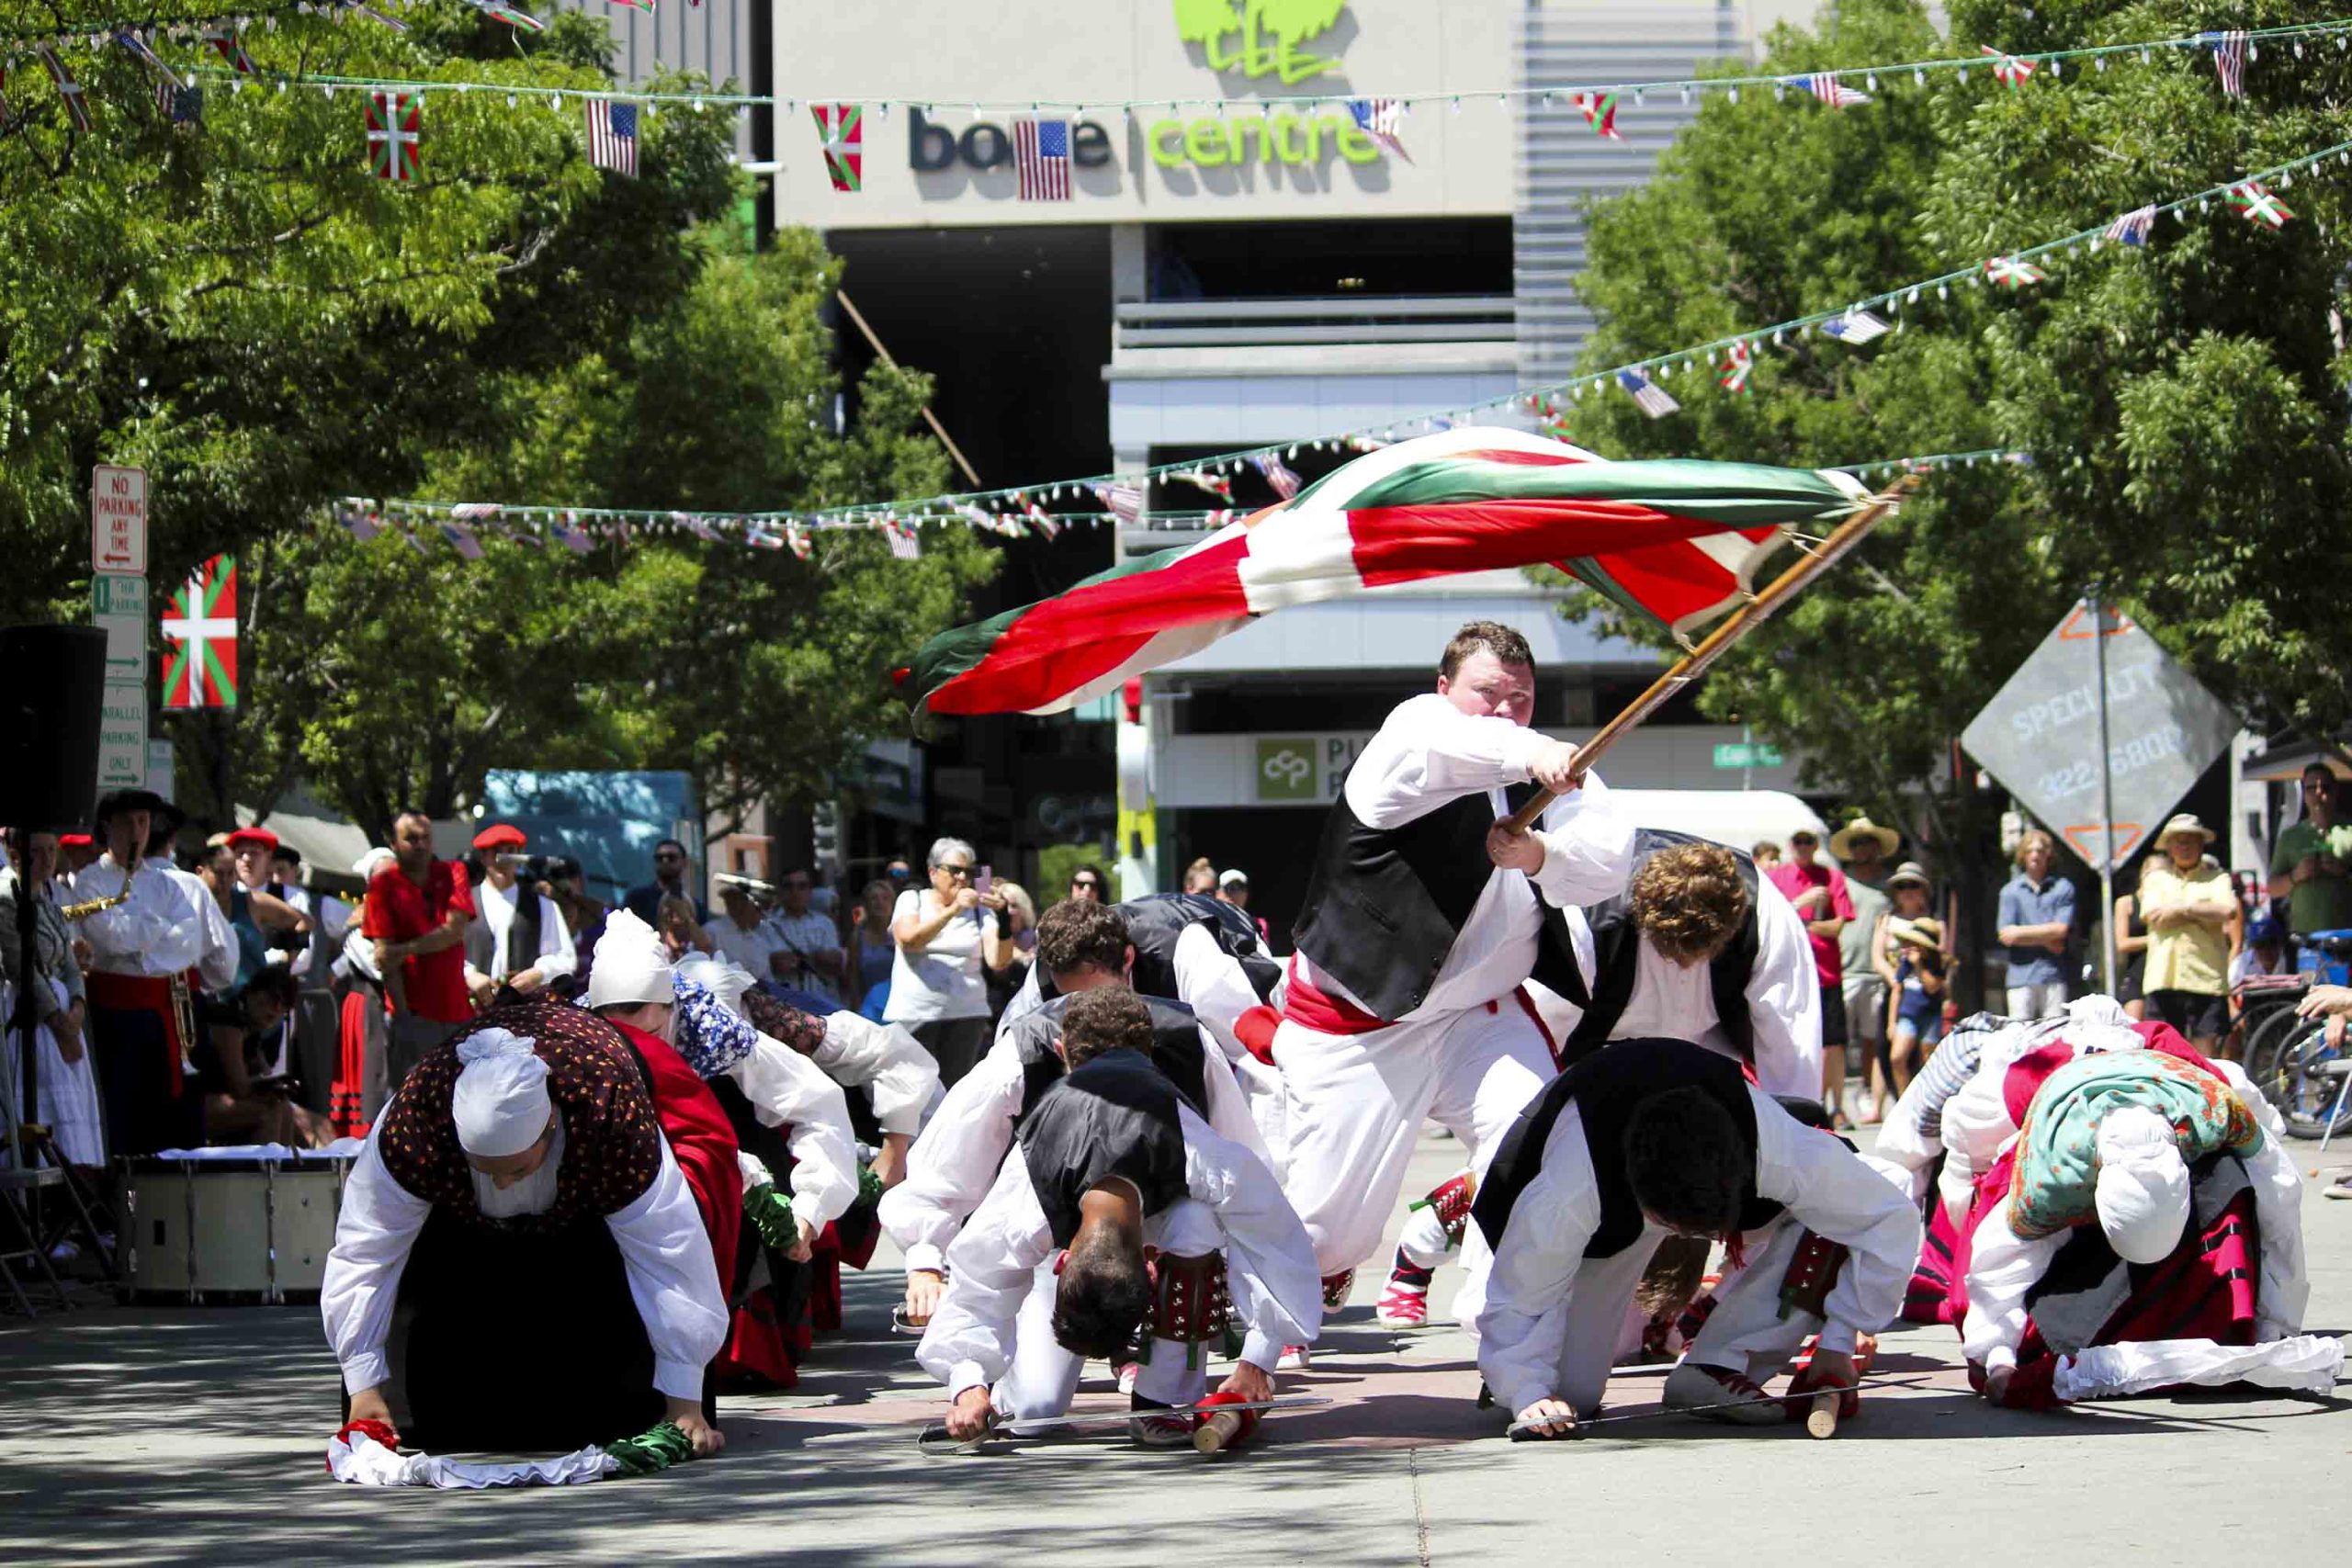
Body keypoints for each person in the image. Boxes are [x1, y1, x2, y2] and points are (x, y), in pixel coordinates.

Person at [1273, 621, 1634, 1327]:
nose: (1504, 709)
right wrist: (1534, 750)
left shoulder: (1553, 768)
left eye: (1521, 698)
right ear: (1445, 688)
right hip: (1367, 1022)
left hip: (1480, 1016)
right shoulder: (1415, 737)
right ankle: (1257, 1293)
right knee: (1328, 1234)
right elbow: (1466, 741)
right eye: (1487, 692)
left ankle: (1502, 1325)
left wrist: (1536, 857)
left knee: (1535, 1144)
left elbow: (1607, 860)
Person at [919, 987, 1321, 1446]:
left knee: (1194, 1224)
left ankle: (1160, 1399)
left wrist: (1258, 1360)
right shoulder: (1032, 1182)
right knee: (1035, 1413)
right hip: (1073, 1225)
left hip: (1155, 1222)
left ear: (1062, 1051)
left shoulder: (1187, 1145)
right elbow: (978, 1280)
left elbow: (1271, 1233)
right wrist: (970, 1384)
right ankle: (1025, 1394)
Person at [321, 1007, 729, 1457]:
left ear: (550, 1125)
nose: (501, 1185)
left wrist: (684, 1402)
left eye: (516, 1169)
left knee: (619, 1415)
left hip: (586, 1236)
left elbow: (669, 1252)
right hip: (458, 1236)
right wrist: (363, 1384)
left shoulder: (610, 1118)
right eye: (485, 1169)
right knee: (431, 1421)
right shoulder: (417, 1125)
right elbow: (366, 1251)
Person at [1475, 1038, 1921, 1437]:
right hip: (1599, 1200)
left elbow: (1887, 1215)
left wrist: (1839, 1341)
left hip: (1691, 1169)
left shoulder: (1777, 1148)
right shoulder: (1573, 1186)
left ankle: (1719, 1362)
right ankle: (1517, 1372)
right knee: (1569, 1394)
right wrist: (1526, 1390)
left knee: (1851, 1200)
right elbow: (1520, 1293)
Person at [883, 899, 1268, 1334]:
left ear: (1127, 963)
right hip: (1064, 1224)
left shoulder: (1188, 1027)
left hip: (1162, 1212)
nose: (1086, 1019)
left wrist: (1262, 1332)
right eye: (1070, 1002)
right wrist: (925, 1260)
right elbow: (954, 1155)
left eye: (1102, 997)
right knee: (1034, 1400)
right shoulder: (1024, 1044)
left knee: (1197, 1227)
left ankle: (1164, 1379)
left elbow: (1248, 1165)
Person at [1959, 1045, 2308, 1408]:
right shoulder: (2051, 1179)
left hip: (2176, 1080)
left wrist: (2275, 1328)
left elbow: (2281, 1214)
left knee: (2238, 1176)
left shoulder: (2220, 1111)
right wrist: (1999, 1360)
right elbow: (1997, 1270)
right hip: (2069, 1091)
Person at [71, 790, 240, 1157]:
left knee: (171, 1118)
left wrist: (139, 937)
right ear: (107, 827)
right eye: (127, 822)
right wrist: (153, 930)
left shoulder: (166, 883)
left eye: (143, 822)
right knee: (123, 1117)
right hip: (116, 1016)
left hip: (167, 1017)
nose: (136, 831)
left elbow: (187, 942)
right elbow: (109, 937)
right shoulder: (89, 882)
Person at [0, 829, 102, 1167]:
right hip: (30, 1014)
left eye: (50, 851)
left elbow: (71, 967)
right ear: (15, 856)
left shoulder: (50, 903)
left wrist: (77, 1007)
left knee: (69, 1116)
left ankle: (69, 1183)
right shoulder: (6, 898)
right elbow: (18, 964)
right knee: (36, 1105)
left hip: (62, 1016)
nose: (46, 860)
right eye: (37, 852)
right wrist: (58, 1022)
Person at [886, 837, 1013, 1089]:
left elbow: (997, 961)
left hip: (967, 1015)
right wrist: (954, 909)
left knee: (953, 1095)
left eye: (969, 872)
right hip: (916, 1015)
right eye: (955, 870)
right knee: (912, 1095)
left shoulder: (979, 910)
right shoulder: (912, 900)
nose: (962, 878)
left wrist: (1003, 917)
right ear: (933, 872)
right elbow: (908, 940)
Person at [365, 810, 475, 1090]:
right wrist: (404, 1020)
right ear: (393, 843)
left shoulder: (454, 871)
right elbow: (385, 960)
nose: (421, 845)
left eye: (426, 837)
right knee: (410, 1105)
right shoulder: (382, 886)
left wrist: (404, 949)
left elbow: (454, 931)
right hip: (413, 1016)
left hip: (458, 1013)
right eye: (411, 838)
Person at [1766, 828, 1857, 1128]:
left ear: (1816, 845)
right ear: (1790, 845)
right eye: (1798, 841)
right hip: (1790, 971)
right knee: (1796, 1040)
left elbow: (1837, 926)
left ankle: (1837, 1105)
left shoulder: (1832, 877)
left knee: (1834, 1043)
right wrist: (1803, 905)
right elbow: (1770, 917)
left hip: (1826, 972)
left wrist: (1806, 924)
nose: (1803, 847)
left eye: (1809, 842)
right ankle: (1805, 1101)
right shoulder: (1778, 876)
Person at [191, 967, 333, 1147]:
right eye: (273, 998)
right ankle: (268, 1172)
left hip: (220, 1105)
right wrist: (267, 1089)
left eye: (286, 1004)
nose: (277, 1008)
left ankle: (288, 1171)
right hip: (195, 1107)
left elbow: (263, 1074)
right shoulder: (228, 1023)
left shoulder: (252, 1031)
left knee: (300, 1115)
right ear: (251, 992)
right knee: (272, 1113)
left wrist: (276, 1088)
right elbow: (239, 1086)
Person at [2136, 815, 2237, 1056]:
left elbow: (2227, 910)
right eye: (2179, 842)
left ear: (2202, 845)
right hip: (2165, 977)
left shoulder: (2218, 878)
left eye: (2191, 841)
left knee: (2207, 1056)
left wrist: (2181, 908)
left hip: (2206, 978)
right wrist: (2203, 910)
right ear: (2169, 847)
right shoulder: (2156, 879)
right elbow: (2154, 917)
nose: (2185, 847)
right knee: (2165, 1055)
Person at [461, 824, 574, 1009]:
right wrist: (469, 975)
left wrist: (539, 973)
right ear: (483, 857)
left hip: (524, 1014)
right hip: (472, 1011)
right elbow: (445, 955)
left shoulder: (543, 905)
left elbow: (563, 956)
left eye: (510, 852)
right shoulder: (463, 903)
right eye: (496, 852)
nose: (503, 859)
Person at [1830, 818, 1897, 1122]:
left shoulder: (1890, 886)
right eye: (1855, 843)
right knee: (1840, 1038)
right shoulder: (1839, 881)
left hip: (1877, 970)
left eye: (1865, 842)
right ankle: (1838, 1099)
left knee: (1873, 1037)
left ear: (1876, 847)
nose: (1860, 848)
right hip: (1844, 968)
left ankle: (1870, 1094)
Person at [2267, 762, 2352, 945]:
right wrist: (2296, 876)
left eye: (2325, 787)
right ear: (2304, 794)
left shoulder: (2350, 831)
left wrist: (2344, 872)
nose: (2318, 794)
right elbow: (2272, 889)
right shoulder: (2290, 837)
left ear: (2336, 791)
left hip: (2346, 938)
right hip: (2305, 939)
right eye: (2311, 788)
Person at [1996, 829, 2076, 1020]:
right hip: (2020, 977)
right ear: (2022, 855)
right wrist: (2048, 940)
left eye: (2040, 851)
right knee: (2019, 1036)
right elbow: (2006, 935)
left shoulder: (2063, 887)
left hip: (2053, 975)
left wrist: (2021, 933)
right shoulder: (2010, 892)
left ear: (2048, 854)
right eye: (2030, 850)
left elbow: (2061, 929)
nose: (2035, 855)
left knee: (2054, 1035)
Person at [763, 866, 846, 1004]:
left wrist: (799, 960)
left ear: (810, 891)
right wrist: (816, 958)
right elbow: (775, 964)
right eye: (789, 886)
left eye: (802, 886)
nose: (795, 892)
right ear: (781, 891)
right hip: (785, 1006)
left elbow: (835, 963)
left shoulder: (825, 923)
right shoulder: (767, 925)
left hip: (824, 1002)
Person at [1883, 915, 1947, 1089]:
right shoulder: (1905, 963)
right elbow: (1897, 989)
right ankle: (1904, 1100)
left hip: (1930, 1015)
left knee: (1928, 1059)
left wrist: (1919, 966)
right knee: (1897, 1057)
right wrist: (1891, 1022)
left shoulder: (1937, 964)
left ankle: (1927, 1098)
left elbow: (1932, 987)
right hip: (1907, 1015)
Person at [624, 839, 707, 929]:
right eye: (660, 858)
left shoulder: (695, 907)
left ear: (684, 863)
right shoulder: (636, 900)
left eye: (671, 858)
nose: (665, 861)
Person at [708, 881, 782, 982]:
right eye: (758, 906)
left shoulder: (759, 943)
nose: (762, 913)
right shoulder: (713, 932)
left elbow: (768, 981)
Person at [846, 878, 898, 1016]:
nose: (880, 903)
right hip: (870, 1008)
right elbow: (853, 977)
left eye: (885, 898)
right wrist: (856, 1009)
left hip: (900, 1006)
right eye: (874, 898)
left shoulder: (900, 933)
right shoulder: (857, 937)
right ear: (866, 904)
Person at [2111, 875, 2150, 1021]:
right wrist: (2153, 940)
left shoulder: (2168, 903)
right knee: (2134, 1028)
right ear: (2142, 875)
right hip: (2137, 973)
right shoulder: (2126, 902)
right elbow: (2122, 944)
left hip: (2162, 975)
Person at [2230, 909, 2290, 987]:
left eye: (2271, 943)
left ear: (2280, 943)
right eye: (2260, 945)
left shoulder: (2292, 960)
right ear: (2253, 946)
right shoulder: (2241, 963)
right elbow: (2230, 994)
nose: (2266, 950)